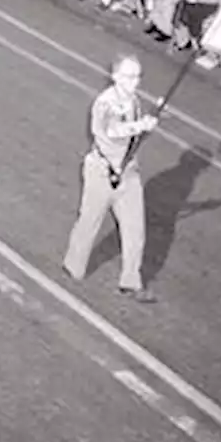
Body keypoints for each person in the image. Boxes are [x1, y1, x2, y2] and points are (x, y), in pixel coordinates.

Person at [62, 55, 159, 302]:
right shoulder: (104, 103)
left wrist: (144, 124)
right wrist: (140, 126)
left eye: (137, 76)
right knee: (89, 221)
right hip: (102, 172)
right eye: (128, 76)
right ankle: (74, 266)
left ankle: (131, 281)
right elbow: (110, 132)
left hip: (128, 173)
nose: (133, 82)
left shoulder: (134, 101)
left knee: (135, 228)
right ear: (115, 76)